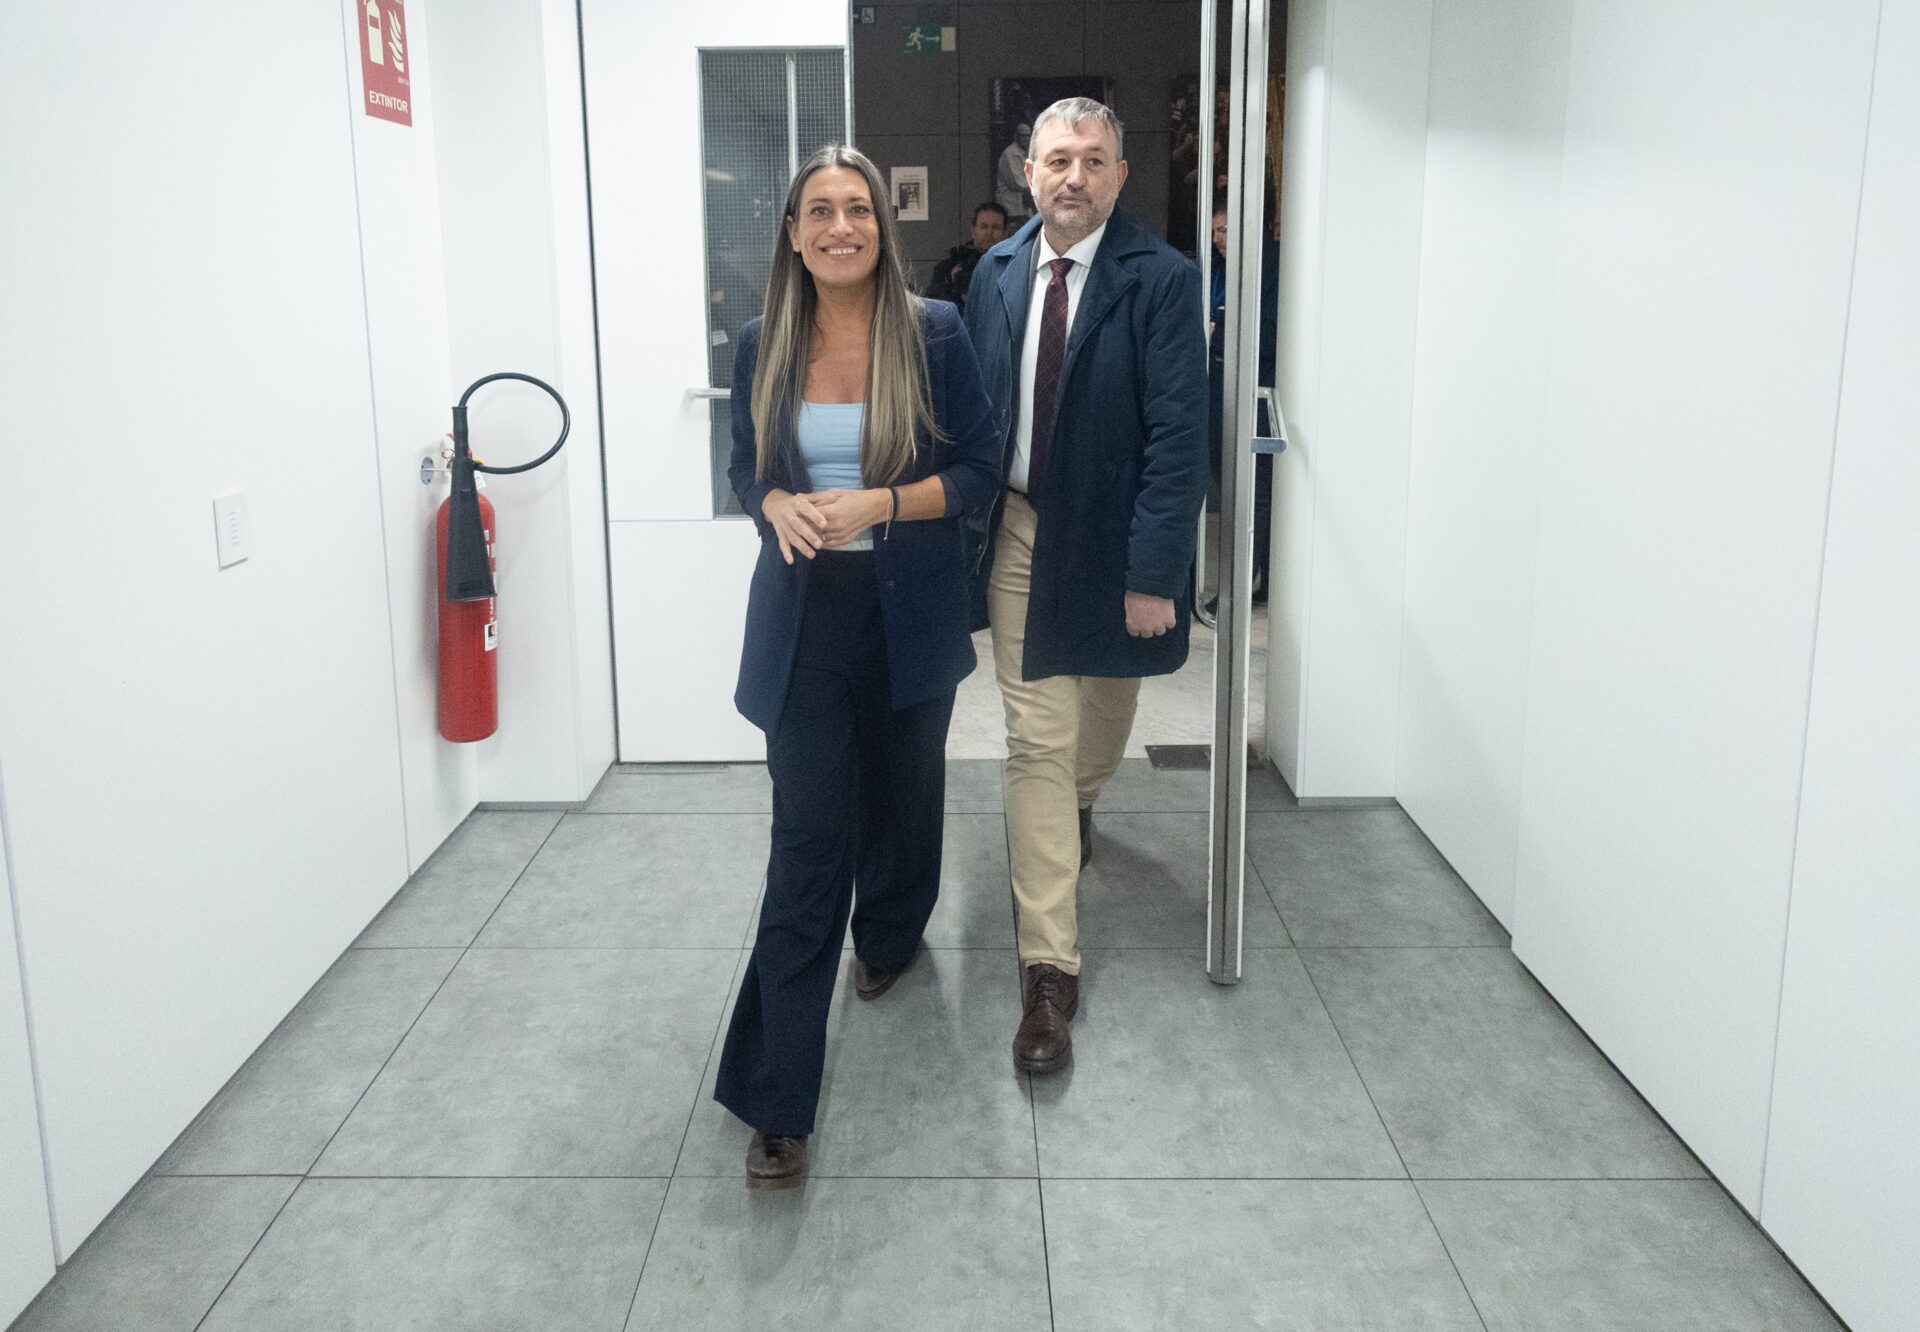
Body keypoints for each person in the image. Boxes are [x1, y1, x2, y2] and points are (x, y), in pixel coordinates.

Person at [715, 144, 1002, 1187]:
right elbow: (744, 468)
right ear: (793, 234)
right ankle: (776, 1095)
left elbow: (978, 469)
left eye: (858, 210)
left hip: (908, 608)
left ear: (882, 227)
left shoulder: (935, 332)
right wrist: (775, 504)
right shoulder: (764, 342)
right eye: (820, 212)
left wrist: (882, 501)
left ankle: (889, 934)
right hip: (804, 620)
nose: (841, 227)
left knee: (903, 794)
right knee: (805, 843)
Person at [962, 98, 1208, 1075]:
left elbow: (1180, 440)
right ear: (1028, 174)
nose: (1074, 175)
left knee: (1102, 724)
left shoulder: (1163, 278)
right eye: (1057, 159)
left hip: (1116, 541)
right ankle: (1048, 971)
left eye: (1094, 160)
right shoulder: (994, 271)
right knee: (1037, 741)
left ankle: (1081, 804)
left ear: (1120, 176)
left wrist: (1154, 573)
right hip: (1023, 529)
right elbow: (973, 413)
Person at [1205, 202, 1279, 608]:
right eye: (1214, 232)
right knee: (1235, 484)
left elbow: (1268, 332)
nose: (1218, 240)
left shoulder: (1270, 266)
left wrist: (1216, 332)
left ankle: (1247, 583)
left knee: (1254, 490)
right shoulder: (1221, 268)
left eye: (1225, 231)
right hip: (1222, 387)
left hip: (1256, 392)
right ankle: (1255, 579)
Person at [924, 201, 1009, 313]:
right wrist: (953, 285)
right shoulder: (947, 267)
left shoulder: (1013, 266)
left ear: (1005, 233)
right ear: (973, 231)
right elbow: (934, 310)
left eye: (996, 227)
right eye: (983, 227)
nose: (989, 232)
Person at [995, 123, 1033, 220]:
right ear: (1016, 137)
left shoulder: (1026, 152)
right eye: (1023, 136)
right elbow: (1017, 183)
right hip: (1011, 208)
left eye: (1028, 136)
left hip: (1022, 208)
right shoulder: (1010, 153)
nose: (1026, 139)